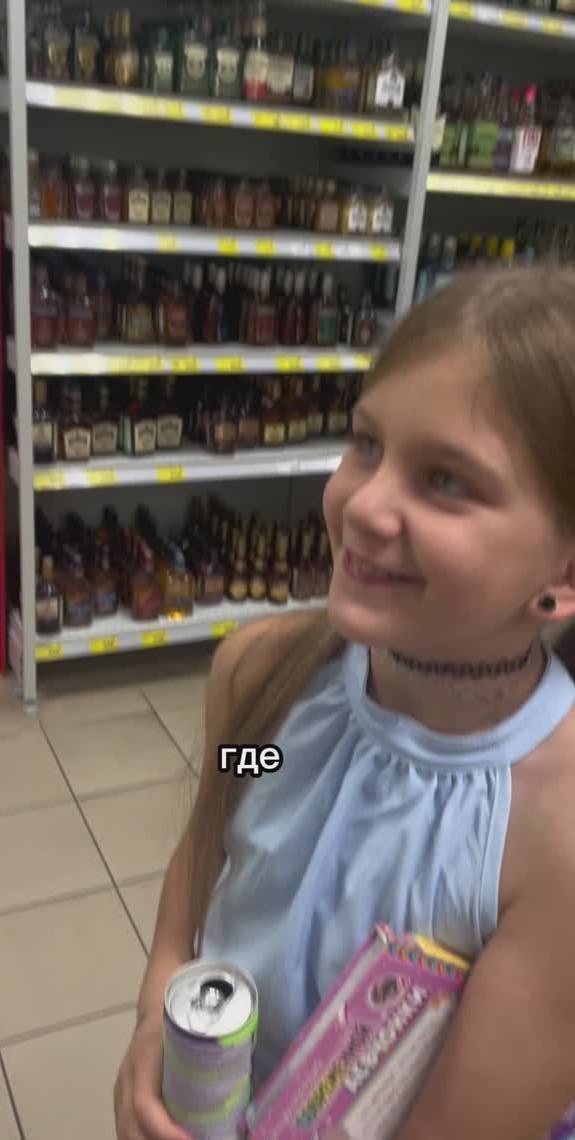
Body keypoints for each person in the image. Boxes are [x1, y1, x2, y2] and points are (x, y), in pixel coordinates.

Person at [115, 267, 575, 1140]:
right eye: (367, 444)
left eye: (446, 481)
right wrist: (155, 1012)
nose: (363, 505)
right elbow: (211, 845)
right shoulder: (265, 687)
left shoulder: (554, 836)